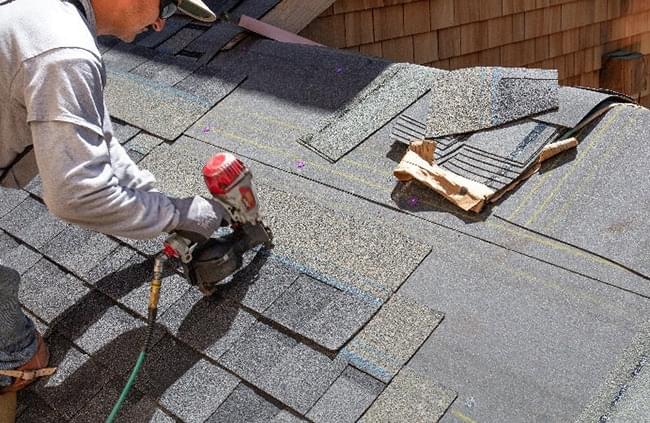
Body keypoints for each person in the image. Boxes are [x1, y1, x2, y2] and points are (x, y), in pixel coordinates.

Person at [0, 0, 221, 394]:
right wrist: (174, 214)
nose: (158, 26)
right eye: (165, 8)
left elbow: (97, 142)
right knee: (22, 360)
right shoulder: (63, 52)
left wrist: (156, 198)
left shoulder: (46, 15)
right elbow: (79, 195)